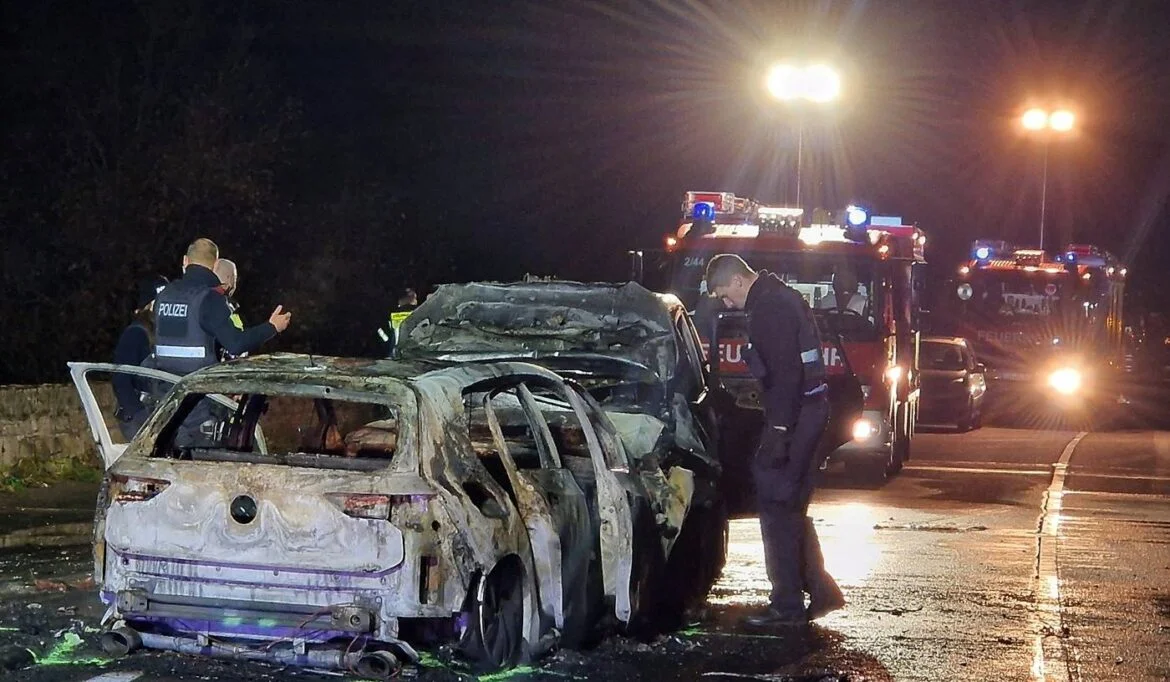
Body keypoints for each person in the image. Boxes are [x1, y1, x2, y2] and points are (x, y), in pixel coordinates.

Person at [705, 253, 845, 627]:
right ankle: (819, 589)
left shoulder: (768, 307)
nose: (726, 303)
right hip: (809, 412)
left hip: (795, 418)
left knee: (777, 505)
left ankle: (786, 605)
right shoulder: (781, 298)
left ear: (737, 280)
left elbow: (785, 376)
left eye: (724, 295)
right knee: (790, 504)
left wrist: (779, 433)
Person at [153, 238, 292, 444]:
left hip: (165, 401)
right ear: (216, 264)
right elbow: (235, 343)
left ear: (185, 261)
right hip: (199, 402)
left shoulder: (164, 296)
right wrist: (272, 327)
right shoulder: (209, 299)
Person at [112, 275, 168, 440]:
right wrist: (139, 415)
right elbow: (120, 379)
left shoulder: (160, 333)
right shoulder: (136, 333)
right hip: (140, 417)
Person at [213, 258, 246, 360]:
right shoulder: (227, 307)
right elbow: (237, 346)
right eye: (234, 278)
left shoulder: (198, 298)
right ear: (228, 278)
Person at [377, 288, 419, 356]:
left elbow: (384, 336)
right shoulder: (421, 312)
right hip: (418, 354)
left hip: (396, 354)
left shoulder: (390, 315)